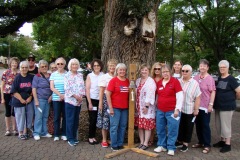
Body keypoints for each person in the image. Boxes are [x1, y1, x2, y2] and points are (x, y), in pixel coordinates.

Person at [154, 64, 183, 156]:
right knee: (160, 128)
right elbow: (157, 96)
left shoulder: (175, 82)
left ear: (170, 72)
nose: (165, 73)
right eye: (163, 72)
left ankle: (171, 147)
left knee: (172, 129)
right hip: (160, 110)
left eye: (166, 71)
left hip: (172, 110)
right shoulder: (159, 83)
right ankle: (162, 145)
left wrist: (177, 109)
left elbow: (180, 96)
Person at [213, 60, 240, 153]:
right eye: (220, 67)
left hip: (227, 106)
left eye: (224, 67)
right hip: (218, 106)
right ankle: (222, 141)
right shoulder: (220, 78)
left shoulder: (231, 79)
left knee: (226, 125)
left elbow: (238, 91)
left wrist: (232, 99)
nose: (222, 69)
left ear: (227, 68)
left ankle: (228, 144)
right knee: (219, 124)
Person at [176, 64, 201, 152]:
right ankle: (179, 141)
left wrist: (196, 109)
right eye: (183, 71)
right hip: (179, 109)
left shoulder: (195, 83)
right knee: (180, 126)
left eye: (187, 71)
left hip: (189, 109)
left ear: (190, 72)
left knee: (188, 127)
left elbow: (198, 96)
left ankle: (185, 144)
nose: (184, 72)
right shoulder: (178, 81)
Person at [192, 59, 216, 154]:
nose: (202, 67)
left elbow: (213, 91)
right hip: (197, 105)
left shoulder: (210, 78)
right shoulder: (196, 78)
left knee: (205, 125)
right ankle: (200, 142)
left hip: (205, 106)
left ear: (207, 67)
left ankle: (207, 144)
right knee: (197, 125)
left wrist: (211, 104)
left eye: (204, 66)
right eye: (201, 65)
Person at [106, 63, 129, 151]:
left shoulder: (127, 81)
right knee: (114, 126)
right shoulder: (113, 80)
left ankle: (120, 143)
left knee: (123, 126)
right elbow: (108, 94)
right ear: (117, 71)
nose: (122, 71)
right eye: (120, 70)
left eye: (123, 70)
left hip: (125, 108)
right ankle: (114, 144)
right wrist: (110, 108)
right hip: (115, 107)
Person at [10, 61, 34, 140]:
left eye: (26, 67)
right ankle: (20, 132)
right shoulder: (17, 77)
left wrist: (30, 96)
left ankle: (27, 130)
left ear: (28, 68)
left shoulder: (31, 77)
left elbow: (34, 88)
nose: (24, 69)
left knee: (30, 115)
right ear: (20, 68)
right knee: (20, 116)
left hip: (29, 99)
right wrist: (21, 99)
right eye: (22, 67)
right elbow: (13, 91)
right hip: (18, 100)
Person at [134, 64, 156, 150]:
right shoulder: (138, 80)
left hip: (147, 107)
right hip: (139, 106)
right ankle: (141, 142)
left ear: (149, 71)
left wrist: (147, 106)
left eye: (146, 70)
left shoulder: (150, 81)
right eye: (142, 70)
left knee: (147, 126)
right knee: (140, 125)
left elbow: (151, 94)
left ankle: (146, 143)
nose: (143, 71)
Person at [96, 59, 117, 148]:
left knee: (114, 121)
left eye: (114, 66)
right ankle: (104, 139)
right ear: (108, 67)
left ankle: (112, 139)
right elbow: (101, 91)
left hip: (115, 100)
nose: (112, 67)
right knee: (105, 120)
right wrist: (100, 103)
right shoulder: (104, 77)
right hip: (105, 100)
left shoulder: (118, 76)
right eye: (110, 66)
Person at [64, 58, 85, 146]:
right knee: (70, 120)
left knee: (76, 120)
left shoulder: (80, 75)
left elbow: (82, 86)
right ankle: (70, 138)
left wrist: (81, 97)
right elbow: (67, 88)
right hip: (70, 101)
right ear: (70, 66)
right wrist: (76, 96)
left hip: (79, 102)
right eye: (73, 64)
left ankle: (74, 137)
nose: (75, 66)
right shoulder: (67, 75)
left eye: (76, 64)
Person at [32, 60, 53, 140]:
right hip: (40, 99)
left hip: (48, 100)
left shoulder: (51, 75)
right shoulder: (36, 76)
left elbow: (53, 87)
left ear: (47, 67)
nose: (44, 68)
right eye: (42, 66)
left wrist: (51, 96)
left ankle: (44, 132)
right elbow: (34, 89)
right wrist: (36, 100)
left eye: (45, 66)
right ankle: (37, 132)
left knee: (45, 117)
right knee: (38, 117)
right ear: (39, 68)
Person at [86, 59, 104, 144]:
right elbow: (87, 90)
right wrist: (89, 102)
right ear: (92, 67)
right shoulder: (90, 76)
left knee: (99, 118)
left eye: (98, 65)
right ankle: (91, 137)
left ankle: (97, 136)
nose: (96, 67)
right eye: (95, 66)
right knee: (93, 119)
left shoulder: (103, 75)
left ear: (100, 66)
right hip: (92, 100)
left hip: (100, 99)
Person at [50, 57, 67, 141]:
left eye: (61, 63)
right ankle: (56, 134)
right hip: (56, 99)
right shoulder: (53, 74)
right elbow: (52, 87)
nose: (60, 65)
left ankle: (64, 133)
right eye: (58, 64)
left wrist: (64, 96)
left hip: (66, 99)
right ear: (56, 65)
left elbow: (69, 87)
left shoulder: (67, 74)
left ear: (64, 64)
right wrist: (60, 95)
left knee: (65, 117)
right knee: (56, 117)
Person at [1, 57, 20, 136]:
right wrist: (2, 98)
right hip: (7, 93)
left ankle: (14, 129)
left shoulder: (19, 74)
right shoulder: (6, 72)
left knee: (14, 112)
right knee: (8, 111)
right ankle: (8, 129)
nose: (14, 64)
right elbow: (2, 86)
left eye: (15, 63)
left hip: (16, 94)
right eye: (13, 63)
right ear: (10, 63)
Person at [149, 62, 162, 145]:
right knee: (152, 121)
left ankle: (160, 140)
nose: (157, 70)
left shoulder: (163, 79)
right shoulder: (150, 79)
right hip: (151, 102)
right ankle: (151, 139)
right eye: (155, 69)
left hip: (161, 102)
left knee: (160, 122)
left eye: (159, 69)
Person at [47, 62, 57, 134]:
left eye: (55, 67)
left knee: (57, 115)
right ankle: (51, 130)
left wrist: (52, 96)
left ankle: (57, 129)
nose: (54, 69)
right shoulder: (49, 76)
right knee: (50, 115)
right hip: (49, 97)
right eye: (52, 68)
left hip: (56, 97)